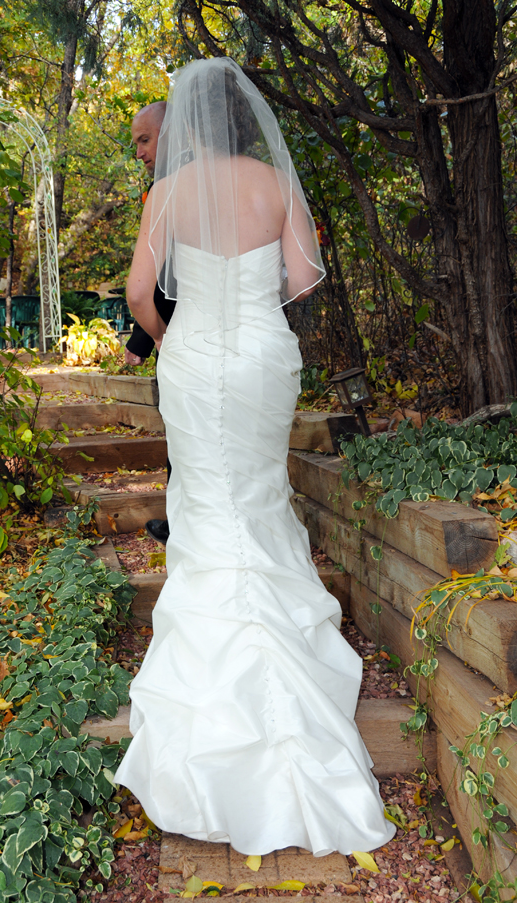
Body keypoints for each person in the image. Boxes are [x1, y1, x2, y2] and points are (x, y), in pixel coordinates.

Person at [114, 58, 395, 857]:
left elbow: (140, 293)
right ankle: (301, 716)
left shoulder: (168, 193)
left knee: (208, 506)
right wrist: (249, 298)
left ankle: (213, 734)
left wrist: (181, 339)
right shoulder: (277, 181)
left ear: (190, 127)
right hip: (265, 361)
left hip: (196, 358)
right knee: (260, 499)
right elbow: (303, 277)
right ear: (247, 118)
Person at [127, 101, 173, 545]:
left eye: (145, 139)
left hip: (183, 335)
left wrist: (150, 336)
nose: (139, 152)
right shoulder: (239, 182)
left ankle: (182, 524)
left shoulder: (168, 192)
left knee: (183, 438)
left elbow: (153, 283)